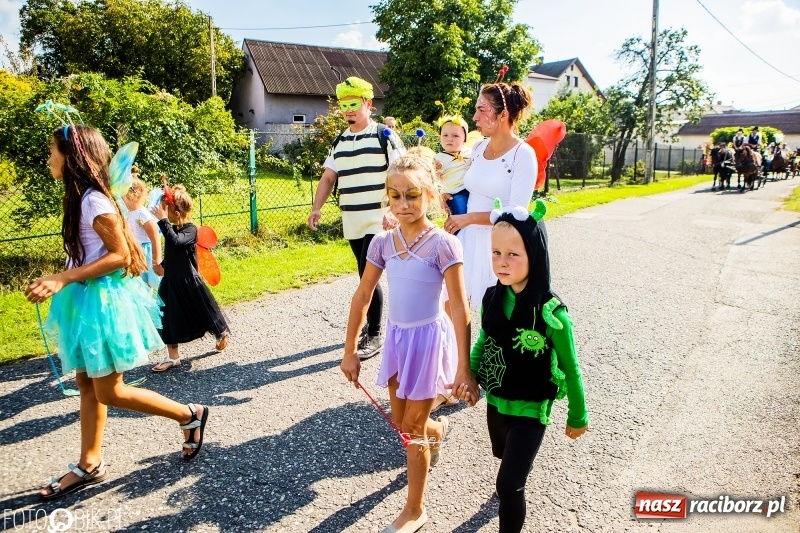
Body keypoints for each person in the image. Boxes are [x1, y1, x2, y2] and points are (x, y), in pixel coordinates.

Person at [25, 125, 210, 499]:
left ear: (72, 157)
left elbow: (119, 256)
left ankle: (189, 414)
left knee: (109, 390)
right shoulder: (81, 198)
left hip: (102, 305)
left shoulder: (94, 201)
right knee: (86, 384)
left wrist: (62, 278)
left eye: (52, 153)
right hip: (85, 301)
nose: (48, 160)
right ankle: (89, 462)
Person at [340, 154, 473, 533]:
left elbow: (459, 307)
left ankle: (415, 510)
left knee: (410, 426)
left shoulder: (444, 245)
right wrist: (350, 349)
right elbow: (363, 293)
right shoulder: (383, 243)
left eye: (412, 195)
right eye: (394, 196)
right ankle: (437, 431)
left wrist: (464, 367)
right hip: (399, 340)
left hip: (430, 341)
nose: (403, 205)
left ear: (431, 194)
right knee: (402, 421)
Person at [453, 200, 589, 533]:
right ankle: (511, 475)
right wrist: (469, 376)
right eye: (496, 252)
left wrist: (578, 414)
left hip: (532, 406)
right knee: (503, 457)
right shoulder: (492, 297)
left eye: (513, 254)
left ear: (535, 255)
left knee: (509, 485)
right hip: (498, 402)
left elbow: (571, 368)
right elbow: (486, 341)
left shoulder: (552, 314)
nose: (502, 262)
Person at [308, 76, 404, 360]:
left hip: (379, 220)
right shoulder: (340, 141)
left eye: (354, 104)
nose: (348, 110)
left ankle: (374, 333)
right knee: (365, 276)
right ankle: (370, 328)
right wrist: (316, 208)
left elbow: (403, 173)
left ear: (368, 104)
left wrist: (393, 210)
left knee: (367, 277)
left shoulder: (384, 135)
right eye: (344, 105)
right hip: (352, 219)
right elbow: (328, 177)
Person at [443, 81, 536, 310]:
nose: (474, 117)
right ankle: (456, 348)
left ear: (503, 114)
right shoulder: (477, 148)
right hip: (467, 239)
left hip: (499, 246)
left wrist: (469, 217)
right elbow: (472, 186)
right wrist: (447, 196)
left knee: (493, 315)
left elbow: (517, 214)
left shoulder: (522, 154)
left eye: (481, 110)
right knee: (452, 306)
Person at [151, 184, 230, 371]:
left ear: (176, 213)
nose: (162, 214)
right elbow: (173, 252)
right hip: (171, 282)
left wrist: (163, 222)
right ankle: (173, 357)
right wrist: (162, 266)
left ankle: (220, 332)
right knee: (167, 318)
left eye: (165, 210)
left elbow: (176, 242)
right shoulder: (172, 229)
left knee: (204, 313)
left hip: (188, 282)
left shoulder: (190, 230)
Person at [123, 175, 162, 290]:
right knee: (134, 284)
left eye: (123, 194)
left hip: (144, 253)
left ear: (134, 195)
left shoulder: (143, 215)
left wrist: (156, 262)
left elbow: (155, 239)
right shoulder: (126, 213)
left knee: (145, 284)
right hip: (132, 250)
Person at [434, 112, 472, 220]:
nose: (449, 139)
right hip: (451, 193)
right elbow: (433, 180)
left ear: (464, 138)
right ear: (439, 137)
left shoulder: (470, 153)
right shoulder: (438, 158)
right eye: (445, 135)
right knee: (457, 209)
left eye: (455, 135)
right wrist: (435, 171)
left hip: (467, 190)